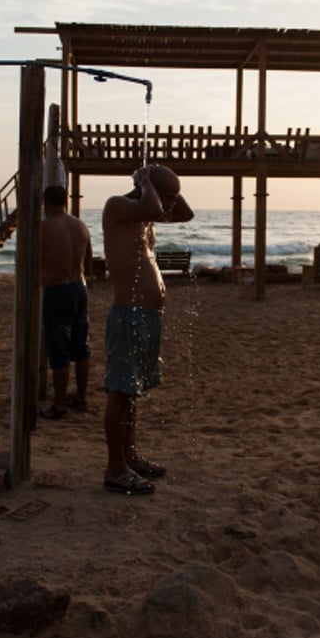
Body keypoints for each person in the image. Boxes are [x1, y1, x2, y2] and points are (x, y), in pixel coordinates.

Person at [101, 164, 194, 495]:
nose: (169, 203)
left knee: (133, 392)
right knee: (121, 391)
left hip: (148, 316)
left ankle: (130, 457)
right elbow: (154, 206)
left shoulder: (146, 214)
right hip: (128, 314)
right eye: (166, 195)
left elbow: (186, 214)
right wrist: (145, 182)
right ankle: (115, 468)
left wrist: (167, 189)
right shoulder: (118, 207)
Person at [39, 184, 93, 421]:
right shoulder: (80, 226)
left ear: (45, 202)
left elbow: (32, 259)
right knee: (80, 346)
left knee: (59, 348)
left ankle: (59, 403)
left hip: (57, 288)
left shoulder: (44, 227)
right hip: (79, 287)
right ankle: (81, 396)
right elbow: (89, 260)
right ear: (65, 201)